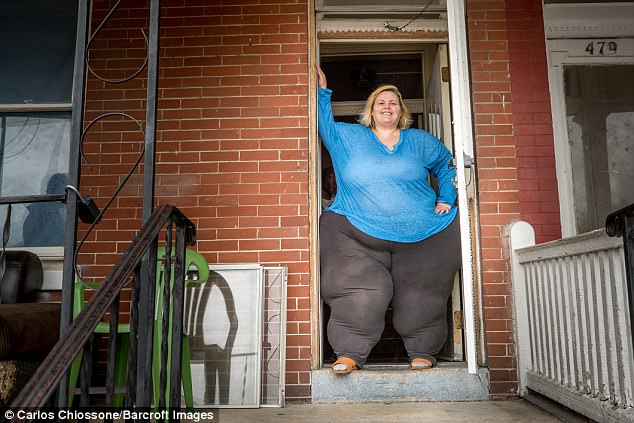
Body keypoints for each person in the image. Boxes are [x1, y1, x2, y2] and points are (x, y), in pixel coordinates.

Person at [316, 66, 461, 374]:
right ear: (370, 110)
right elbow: (323, 121)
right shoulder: (348, 137)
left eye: (393, 102)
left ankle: (422, 351)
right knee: (360, 293)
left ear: (401, 111)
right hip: (358, 232)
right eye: (380, 102)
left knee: (421, 295)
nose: (387, 106)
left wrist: (446, 198)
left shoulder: (420, 141)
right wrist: (322, 91)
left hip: (422, 233)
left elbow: (448, 165)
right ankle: (348, 353)